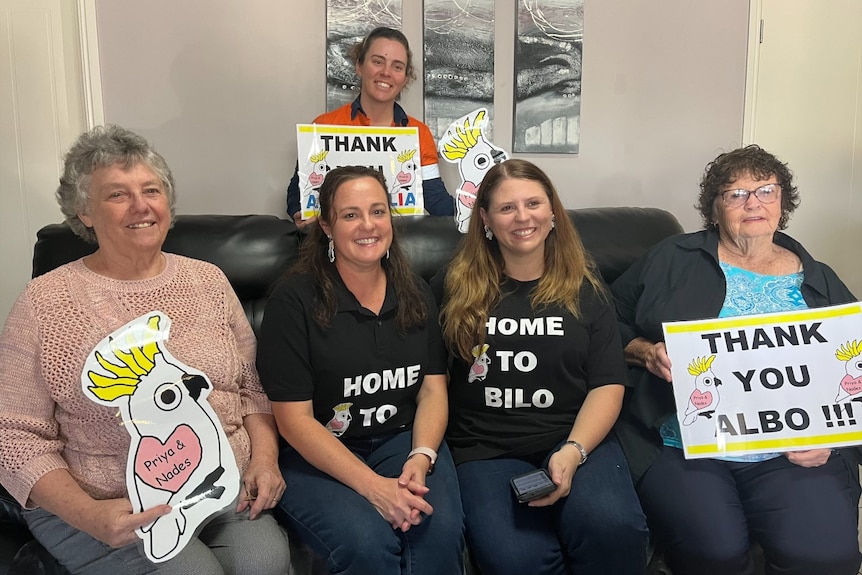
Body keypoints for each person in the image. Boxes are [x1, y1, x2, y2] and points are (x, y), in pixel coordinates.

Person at [0, 125, 290, 575]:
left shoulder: (208, 281)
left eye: (151, 190)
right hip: (109, 504)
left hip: (215, 485)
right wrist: (88, 514)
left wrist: (266, 461)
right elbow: (13, 437)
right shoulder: (44, 302)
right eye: (118, 195)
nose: (141, 206)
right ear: (84, 211)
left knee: (267, 562)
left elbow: (253, 388)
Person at [611, 144, 862, 575]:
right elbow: (605, 321)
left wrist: (832, 437)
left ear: (783, 202)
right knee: (716, 554)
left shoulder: (817, 278)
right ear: (715, 207)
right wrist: (643, 352)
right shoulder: (673, 257)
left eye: (766, 190)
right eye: (736, 194)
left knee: (827, 557)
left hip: (790, 447)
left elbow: (852, 363)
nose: (753, 203)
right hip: (683, 443)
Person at [436, 159, 649, 575]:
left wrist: (574, 450)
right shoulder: (452, 285)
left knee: (616, 529)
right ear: (485, 219)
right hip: (485, 448)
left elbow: (608, 384)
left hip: (575, 435)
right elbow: (431, 380)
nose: (522, 217)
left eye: (533, 203)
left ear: (552, 211)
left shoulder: (585, 288)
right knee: (516, 559)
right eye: (506, 208)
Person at [258, 165, 464, 574]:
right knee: (366, 543)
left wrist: (421, 457)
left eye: (378, 211)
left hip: (402, 440)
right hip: (318, 453)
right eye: (351, 215)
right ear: (327, 226)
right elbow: (294, 422)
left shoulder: (416, 292)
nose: (368, 225)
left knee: (437, 529)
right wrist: (375, 490)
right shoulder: (293, 302)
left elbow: (432, 390)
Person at [286, 27, 454, 227]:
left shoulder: (419, 133)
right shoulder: (323, 126)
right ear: (360, 66)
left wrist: (483, 212)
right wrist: (299, 212)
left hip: (397, 245)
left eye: (397, 66)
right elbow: (298, 192)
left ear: (405, 78)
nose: (386, 72)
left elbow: (435, 199)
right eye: (377, 62)